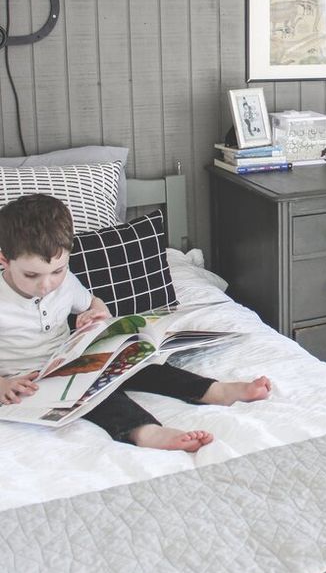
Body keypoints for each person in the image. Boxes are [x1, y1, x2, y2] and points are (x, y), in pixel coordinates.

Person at [0, 194, 271, 452]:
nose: (47, 284)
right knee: (99, 396)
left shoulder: (66, 283)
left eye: (57, 271)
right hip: (25, 383)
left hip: (69, 362)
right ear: (4, 260)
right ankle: (145, 431)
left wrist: (97, 315)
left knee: (144, 365)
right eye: (32, 275)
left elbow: (94, 304)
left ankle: (214, 390)